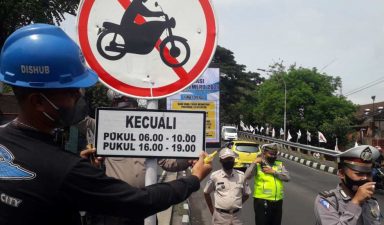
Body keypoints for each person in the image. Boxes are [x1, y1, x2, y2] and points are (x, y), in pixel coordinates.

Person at [0, 23, 212, 225]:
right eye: (72, 92)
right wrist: (193, 179)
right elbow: (139, 202)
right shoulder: (64, 169)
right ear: (37, 101)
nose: (78, 99)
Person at [93, 90, 194, 225]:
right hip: (116, 206)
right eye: (121, 105)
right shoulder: (104, 129)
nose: (127, 110)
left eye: (130, 105)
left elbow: (168, 163)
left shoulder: (150, 136)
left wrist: (189, 159)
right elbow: (80, 120)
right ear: (113, 106)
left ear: (136, 107)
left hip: (144, 206)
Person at [314, 145, 382, 225]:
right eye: (359, 174)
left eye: (369, 174)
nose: (365, 178)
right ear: (342, 174)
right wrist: (356, 202)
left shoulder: (371, 203)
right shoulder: (327, 201)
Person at [244, 143, 290, 225]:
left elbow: (287, 178)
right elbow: (246, 176)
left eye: (275, 154)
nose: (273, 156)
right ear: (264, 153)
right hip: (262, 201)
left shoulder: (279, 164)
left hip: (278, 202)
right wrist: (254, 162)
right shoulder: (258, 165)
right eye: (271, 154)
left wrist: (274, 172)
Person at [204, 148, 251, 225]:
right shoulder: (215, 176)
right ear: (221, 161)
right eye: (226, 159)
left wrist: (236, 203)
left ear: (234, 160)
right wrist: (212, 211)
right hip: (220, 216)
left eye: (231, 159)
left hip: (237, 217)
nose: (229, 161)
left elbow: (246, 194)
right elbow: (206, 193)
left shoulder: (241, 176)